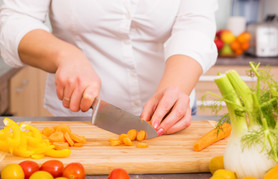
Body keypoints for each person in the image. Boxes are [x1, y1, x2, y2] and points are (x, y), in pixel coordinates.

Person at [0, 0, 218, 135]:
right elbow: (14, 21)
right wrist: (64, 55)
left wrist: (176, 87)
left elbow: (195, 23)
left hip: (170, 117)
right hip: (79, 118)